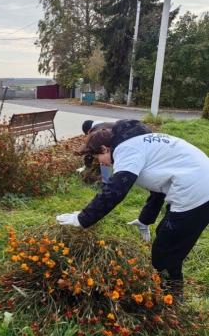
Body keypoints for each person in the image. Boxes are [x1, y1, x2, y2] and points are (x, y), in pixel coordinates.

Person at [57, 119, 209, 297]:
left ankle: (172, 298)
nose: (102, 164)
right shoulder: (138, 141)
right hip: (196, 185)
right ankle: (169, 290)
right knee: (166, 236)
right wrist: (145, 219)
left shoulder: (126, 150)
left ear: (105, 149)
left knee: (165, 253)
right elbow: (158, 187)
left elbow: (116, 189)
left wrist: (83, 218)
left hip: (197, 192)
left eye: (99, 158)